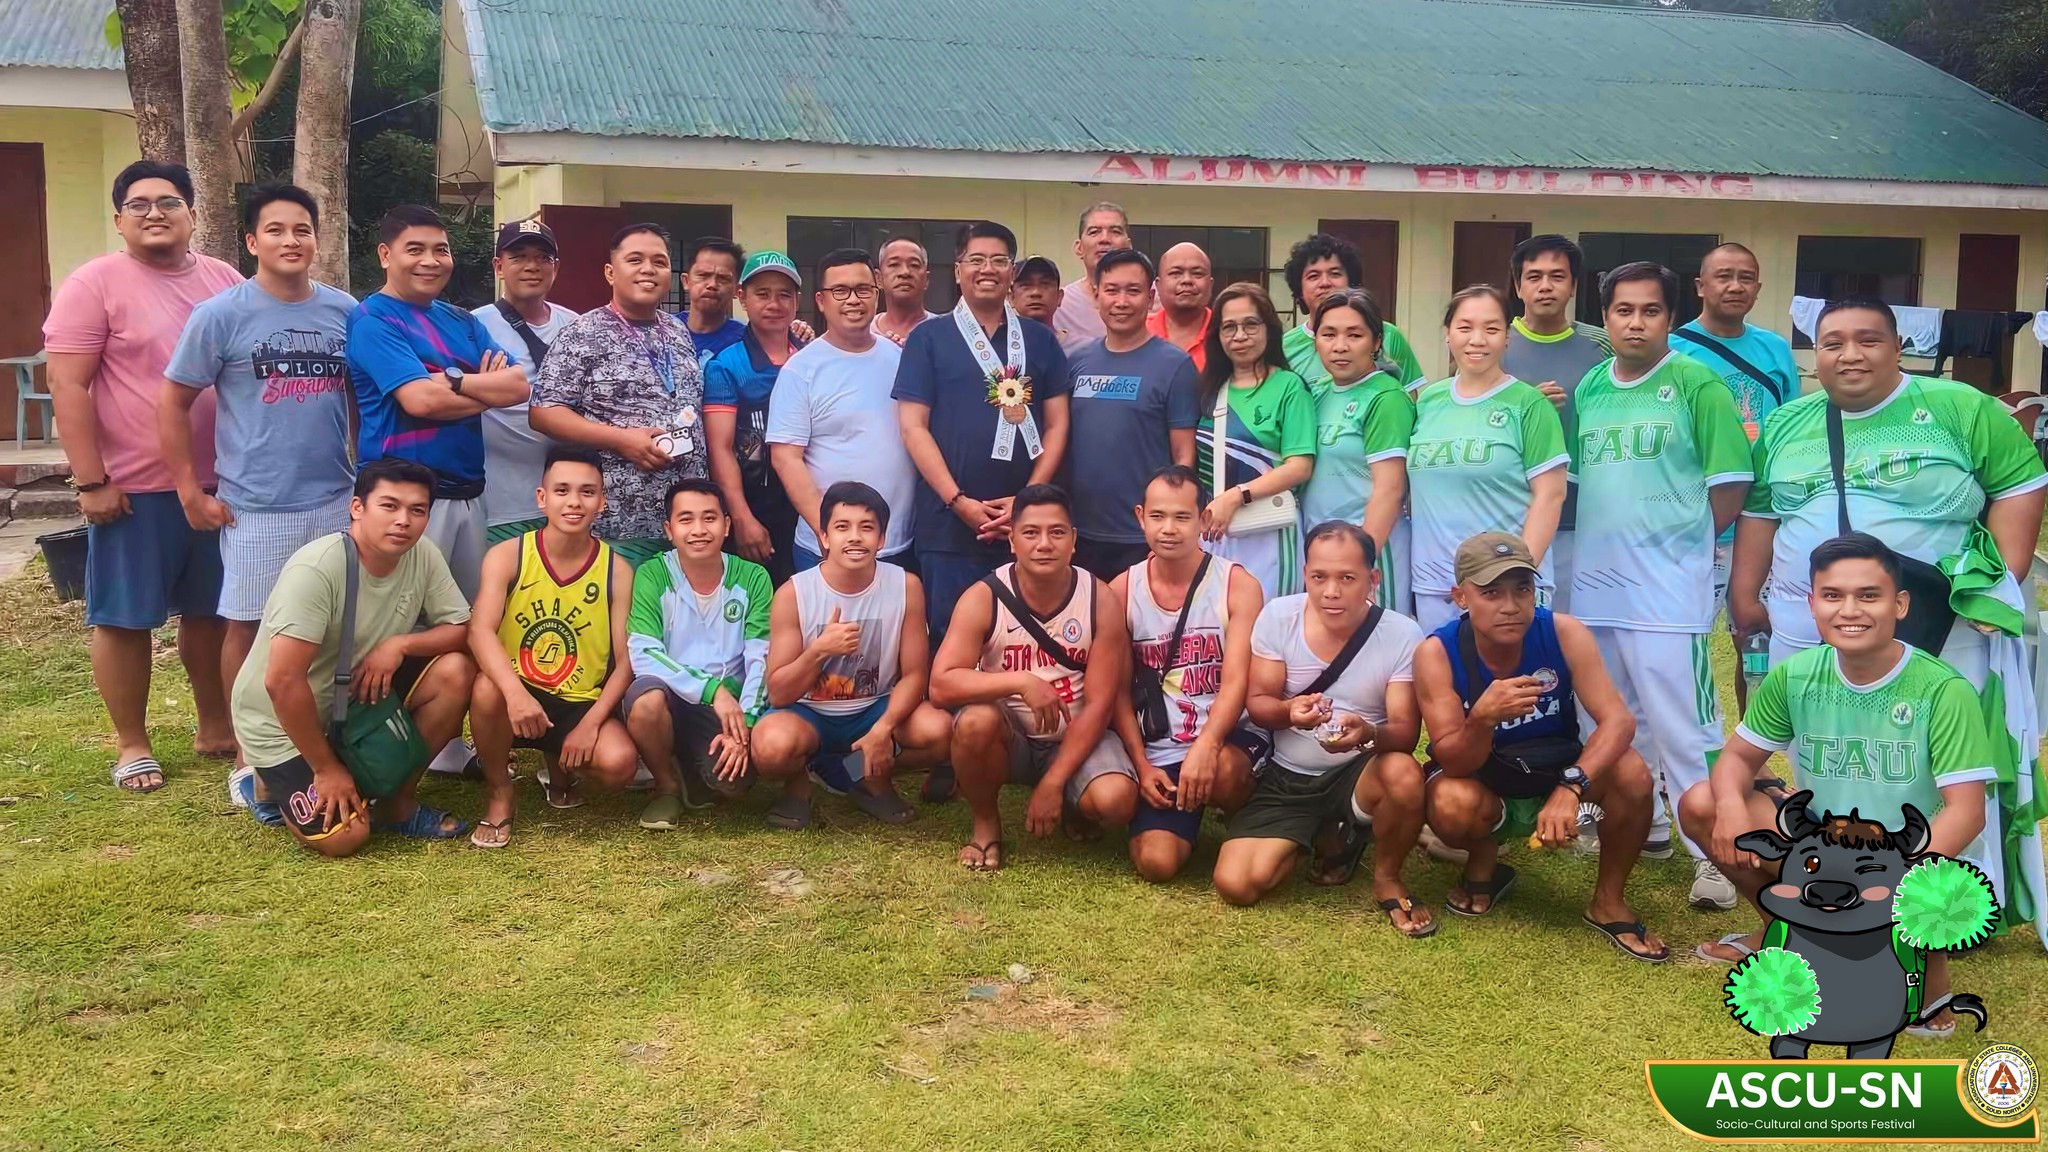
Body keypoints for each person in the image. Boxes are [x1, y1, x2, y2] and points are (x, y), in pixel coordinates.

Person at [1681, 534, 1993, 1028]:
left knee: (1924, 928)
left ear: (1900, 604)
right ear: (1812, 604)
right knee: (1703, 803)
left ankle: (1927, 977)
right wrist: (1733, 810)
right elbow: (1737, 759)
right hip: (1823, 846)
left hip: (1909, 854)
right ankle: (1783, 935)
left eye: (1869, 595)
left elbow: (1967, 812)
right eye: (1833, 595)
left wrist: (1893, 875)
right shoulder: (1796, 676)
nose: (1850, 610)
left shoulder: (1944, 690)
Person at [45, 159, 243, 793]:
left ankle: (216, 725)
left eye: (168, 201)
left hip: (223, 483)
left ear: (192, 213)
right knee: (124, 618)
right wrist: (90, 481)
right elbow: (67, 384)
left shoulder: (224, 279)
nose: (155, 213)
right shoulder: (94, 283)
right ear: (119, 219)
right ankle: (132, 743)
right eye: (139, 204)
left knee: (213, 613)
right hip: (132, 488)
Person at [159, 183, 354, 813]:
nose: (290, 241)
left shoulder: (344, 311)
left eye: (302, 229)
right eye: (275, 230)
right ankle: (250, 755)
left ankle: (319, 736)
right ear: (251, 241)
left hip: (334, 497)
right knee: (247, 625)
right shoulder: (221, 315)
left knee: (329, 626)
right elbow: (174, 402)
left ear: (316, 239)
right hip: (256, 504)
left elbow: (358, 397)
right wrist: (189, 489)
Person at [1732, 298, 2047, 688]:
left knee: (1937, 723)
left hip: (1936, 625)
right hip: (1803, 626)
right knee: (1814, 725)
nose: (1850, 354)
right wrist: (1745, 597)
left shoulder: (1962, 407)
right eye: (1833, 344)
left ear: (1897, 347)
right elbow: (1761, 513)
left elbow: (2020, 483)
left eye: (1868, 341)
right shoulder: (1785, 422)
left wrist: (1998, 582)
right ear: (1816, 352)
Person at [1570, 262, 1752, 895]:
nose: (1636, 323)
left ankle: (1713, 848)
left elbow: (1730, 485)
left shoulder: (1697, 383)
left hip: (1667, 592)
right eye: (1623, 310)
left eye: (1650, 310)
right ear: (1605, 318)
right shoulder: (1592, 387)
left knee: (1686, 725)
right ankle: (1640, 824)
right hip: (1597, 587)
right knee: (1610, 717)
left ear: (1670, 318)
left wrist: (1683, 544)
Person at [1415, 533, 1667, 961]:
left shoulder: (1563, 632)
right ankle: (1484, 859)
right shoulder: (1437, 652)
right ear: (1460, 597)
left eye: (1522, 589)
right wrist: (1482, 718)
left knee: (1632, 772)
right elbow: (1453, 761)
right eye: (1491, 593)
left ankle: (1608, 901)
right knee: (1449, 801)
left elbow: (1619, 721)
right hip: (1482, 778)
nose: (1510, 606)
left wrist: (1572, 786)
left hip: (1555, 768)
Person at [232, 458, 478, 856]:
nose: (403, 521)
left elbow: (462, 628)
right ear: (357, 508)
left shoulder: (423, 554)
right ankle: (272, 777)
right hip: (282, 720)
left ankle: (397, 804)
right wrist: (326, 769)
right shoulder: (317, 568)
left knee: (457, 671)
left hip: (355, 697)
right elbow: (282, 681)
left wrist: (398, 646)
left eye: (417, 510)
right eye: (389, 506)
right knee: (344, 836)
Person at [1212, 524, 1430, 929]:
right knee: (1236, 885)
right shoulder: (1279, 616)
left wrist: (1368, 733)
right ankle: (1322, 835)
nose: (1331, 591)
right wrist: (1289, 712)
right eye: (1319, 577)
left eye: (1347, 578)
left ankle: (1387, 877)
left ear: (1372, 579)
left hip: (1357, 773)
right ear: (1305, 574)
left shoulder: (1402, 633)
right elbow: (1258, 704)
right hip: (1286, 776)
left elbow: (1405, 733)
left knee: (1403, 772)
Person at [931, 484, 1137, 870]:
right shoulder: (984, 596)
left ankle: (1073, 802)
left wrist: (1053, 783)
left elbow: (1100, 704)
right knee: (974, 722)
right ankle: (986, 824)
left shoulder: (1099, 599)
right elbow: (941, 685)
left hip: (1076, 735)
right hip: (1012, 739)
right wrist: (1021, 682)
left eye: (1057, 532)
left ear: (1073, 541)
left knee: (1116, 802)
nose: (1044, 544)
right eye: (1030, 532)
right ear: (1012, 541)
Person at [893, 220, 1071, 642]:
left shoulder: (1040, 340)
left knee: (1024, 640)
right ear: (958, 271)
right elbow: (913, 427)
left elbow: (1058, 423)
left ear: (1011, 272)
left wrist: (1028, 501)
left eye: (998, 260)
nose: (987, 269)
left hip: (1026, 526)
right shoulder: (928, 338)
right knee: (951, 640)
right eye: (976, 260)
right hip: (948, 526)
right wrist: (957, 501)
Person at [346, 204, 530, 599]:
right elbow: (421, 401)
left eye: (440, 250)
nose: (430, 261)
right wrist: (485, 391)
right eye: (415, 250)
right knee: (401, 613)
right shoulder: (373, 321)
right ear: (385, 255)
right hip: (402, 499)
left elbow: (518, 386)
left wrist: (454, 381)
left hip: (469, 491)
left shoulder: (463, 321)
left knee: (465, 611)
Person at [465, 447, 638, 847]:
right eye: (562, 490)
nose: (574, 502)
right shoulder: (508, 555)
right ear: (542, 498)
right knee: (487, 688)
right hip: (516, 693)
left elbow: (627, 660)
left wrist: (591, 724)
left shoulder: (616, 570)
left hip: (576, 700)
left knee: (619, 764)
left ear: (602, 501)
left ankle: (559, 767)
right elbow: (479, 631)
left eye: (587, 492)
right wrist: (515, 694)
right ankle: (499, 791)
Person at [754, 482, 953, 828]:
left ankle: (864, 777)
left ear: (882, 538)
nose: (855, 538)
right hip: (807, 713)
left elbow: (915, 675)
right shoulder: (794, 593)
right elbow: (779, 692)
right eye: (842, 527)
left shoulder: (905, 585)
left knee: (939, 731)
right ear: (824, 536)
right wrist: (818, 651)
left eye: (867, 527)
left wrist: (883, 729)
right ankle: (799, 783)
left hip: (875, 708)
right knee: (770, 748)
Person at [1110, 466, 1266, 882]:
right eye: (1158, 516)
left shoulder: (1237, 585)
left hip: (1226, 736)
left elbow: (1237, 681)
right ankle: (1180, 818)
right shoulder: (1121, 590)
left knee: (1226, 773)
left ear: (1203, 519)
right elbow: (1116, 692)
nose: (1169, 529)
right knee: (1156, 864)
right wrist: (1141, 765)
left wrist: (1207, 746)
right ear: (1140, 517)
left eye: (1182, 517)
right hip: (1160, 745)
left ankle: (1250, 819)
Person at [530, 223, 710, 568]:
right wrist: (620, 440)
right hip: (618, 524)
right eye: (635, 260)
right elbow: (543, 413)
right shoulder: (582, 333)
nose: (648, 269)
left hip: (688, 523)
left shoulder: (677, 330)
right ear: (610, 273)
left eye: (659, 262)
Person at [1676, 242, 1800, 707]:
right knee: (1683, 639)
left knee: (1756, 639)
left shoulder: (1774, 348)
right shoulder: (1673, 350)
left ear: (1758, 288)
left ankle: (1755, 741)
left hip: (1762, 520)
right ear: (1700, 286)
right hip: (1699, 520)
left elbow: (1790, 426)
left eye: (1745, 278)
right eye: (1723, 276)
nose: (1735, 286)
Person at [1407, 286, 1568, 633]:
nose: (1477, 340)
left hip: (1505, 586)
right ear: (1448, 333)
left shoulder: (1529, 404)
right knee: (1443, 669)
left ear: (1507, 337)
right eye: (1465, 327)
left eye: (1491, 329)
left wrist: (1518, 576)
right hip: (1436, 584)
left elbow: (1551, 495)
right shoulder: (1428, 402)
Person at [622, 480, 774, 821]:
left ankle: (690, 767)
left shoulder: (753, 578)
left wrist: (746, 723)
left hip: (727, 706)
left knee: (732, 783)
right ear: (669, 529)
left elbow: (762, 658)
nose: (699, 530)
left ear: (727, 525)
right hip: (671, 696)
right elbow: (644, 652)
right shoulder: (653, 574)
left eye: (709, 518)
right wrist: (712, 690)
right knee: (646, 703)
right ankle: (667, 785)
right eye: (686, 519)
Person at [768, 248, 918, 575]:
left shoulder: (900, 358)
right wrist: (826, 531)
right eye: (840, 291)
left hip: (899, 542)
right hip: (825, 548)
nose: (853, 300)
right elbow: (786, 458)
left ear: (876, 294)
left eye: (863, 289)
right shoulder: (801, 370)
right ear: (821, 301)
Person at [1064, 247, 1199, 580]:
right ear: (1097, 296)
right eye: (1112, 290)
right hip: (1081, 533)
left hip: (1142, 537)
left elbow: (1184, 454)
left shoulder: (1175, 365)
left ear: (1150, 298)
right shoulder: (1076, 362)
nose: (1121, 302)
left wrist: (1169, 523)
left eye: (1133, 291)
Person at [1500, 234, 1610, 613]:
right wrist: (1527, 408)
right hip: (1511, 512)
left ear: (1573, 285)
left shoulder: (1603, 346)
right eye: (1534, 277)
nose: (1545, 286)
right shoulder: (1495, 343)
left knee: (1580, 629)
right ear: (1518, 286)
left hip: (1586, 517)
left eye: (1557, 276)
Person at [1194, 283, 1317, 598]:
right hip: (1215, 532)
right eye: (1229, 327)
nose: (1240, 336)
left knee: (1269, 619)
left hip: (1270, 530)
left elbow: (1300, 466)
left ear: (1269, 329)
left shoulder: (1289, 386)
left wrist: (1237, 497)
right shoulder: (1209, 389)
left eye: (1251, 324)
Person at [1298, 289, 1414, 612]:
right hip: (1322, 553)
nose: (1340, 346)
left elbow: (1390, 490)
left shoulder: (1386, 398)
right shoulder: (1317, 393)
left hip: (1371, 552)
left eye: (1354, 335)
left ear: (1377, 342)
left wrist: (1361, 564)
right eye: (1329, 334)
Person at [474, 219, 578, 546]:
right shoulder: (474, 327)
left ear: (556, 267)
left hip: (569, 501)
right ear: (498, 266)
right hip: (500, 504)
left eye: (542, 257)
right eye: (518, 257)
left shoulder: (576, 325)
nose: (532, 266)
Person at [704, 251, 804, 585]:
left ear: (797, 301)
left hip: (810, 507)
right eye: (762, 294)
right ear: (742, 297)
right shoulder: (726, 365)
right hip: (757, 508)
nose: (774, 304)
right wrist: (742, 518)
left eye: (784, 294)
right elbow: (720, 448)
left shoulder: (813, 358)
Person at [1278, 233, 1425, 391]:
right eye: (1313, 276)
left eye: (1335, 274)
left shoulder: (1389, 335)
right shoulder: (1284, 348)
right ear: (1299, 290)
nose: (1325, 283)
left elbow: (1408, 397)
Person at [1050, 202, 1130, 353]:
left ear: (1128, 246)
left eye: (1115, 232)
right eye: (1094, 232)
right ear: (1079, 248)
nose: (1105, 239)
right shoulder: (1060, 305)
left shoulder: (1154, 299)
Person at [1147, 242, 1214, 372]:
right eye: (1176, 273)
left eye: (1197, 274)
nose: (1187, 280)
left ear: (1210, 285)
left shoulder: (1226, 333)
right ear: (1158, 285)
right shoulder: (1138, 332)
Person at [680, 237, 748, 361]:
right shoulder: (663, 331)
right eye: (703, 275)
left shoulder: (747, 342)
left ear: (736, 290)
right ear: (686, 281)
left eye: (723, 278)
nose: (712, 285)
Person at [871, 237, 942, 347]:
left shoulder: (946, 332)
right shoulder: (863, 333)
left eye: (914, 265)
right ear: (879, 278)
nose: (905, 272)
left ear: (926, 279)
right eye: (894, 264)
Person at [1010, 255, 1064, 327]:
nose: (1036, 292)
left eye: (1045, 284)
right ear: (1011, 297)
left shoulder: (1076, 335)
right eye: (1026, 285)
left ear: (1059, 297)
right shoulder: (999, 334)